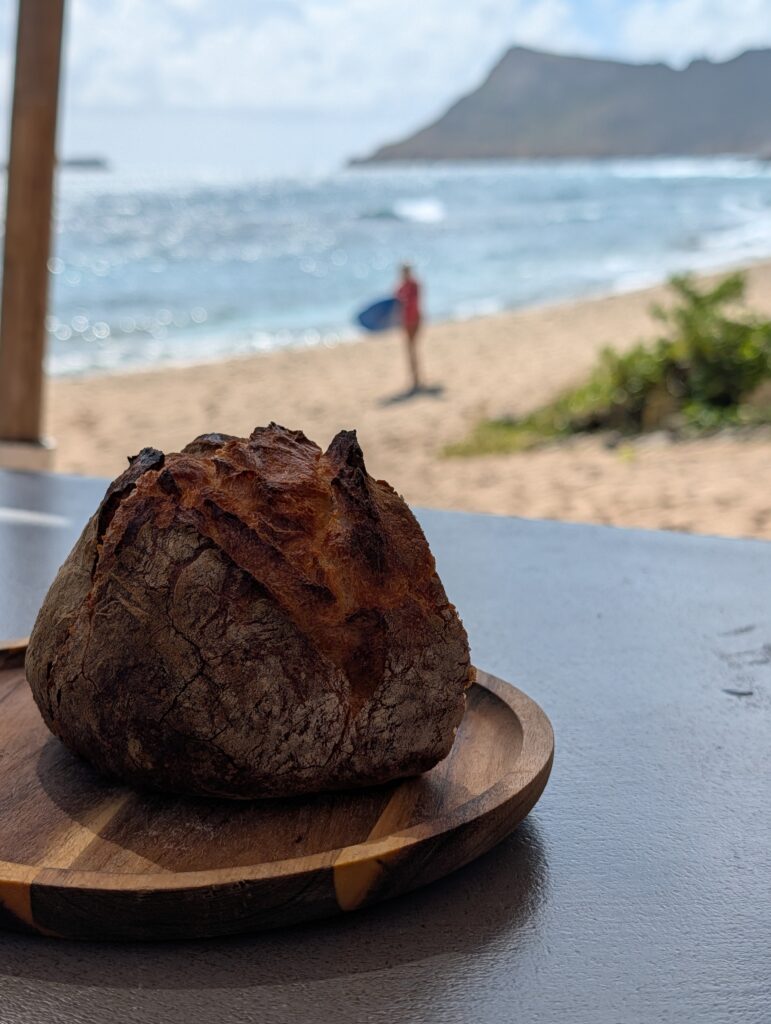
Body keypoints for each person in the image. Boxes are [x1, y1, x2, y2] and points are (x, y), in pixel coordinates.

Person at [395, 263, 422, 392]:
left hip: (414, 319)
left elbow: (415, 301)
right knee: (410, 350)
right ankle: (414, 377)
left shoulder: (414, 284)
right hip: (405, 321)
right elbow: (395, 305)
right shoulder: (400, 287)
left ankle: (416, 378)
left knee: (412, 348)